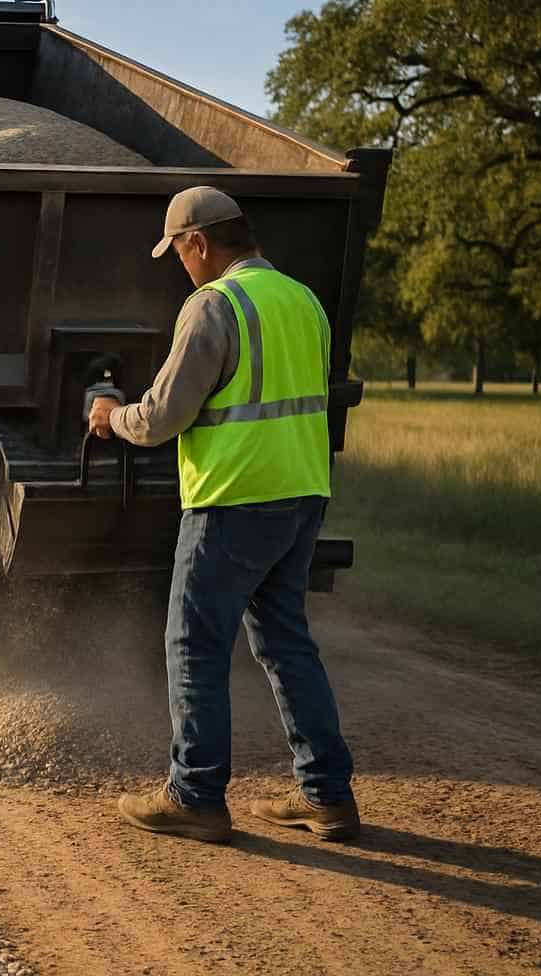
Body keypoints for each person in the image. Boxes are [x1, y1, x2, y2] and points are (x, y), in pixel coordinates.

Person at [88, 186, 359, 844]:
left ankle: (196, 797)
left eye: (179, 251)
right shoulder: (303, 300)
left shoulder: (215, 304)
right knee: (287, 645)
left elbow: (162, 416)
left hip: (233, 500)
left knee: (194, 646)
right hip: (301, 494)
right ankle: (326, 796)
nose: (180, 265)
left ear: (201, 244)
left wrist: (109, 417)